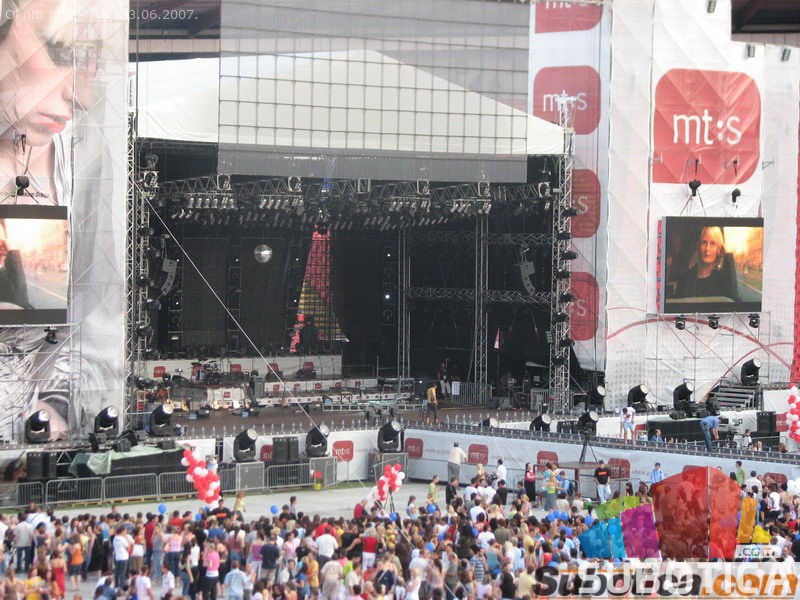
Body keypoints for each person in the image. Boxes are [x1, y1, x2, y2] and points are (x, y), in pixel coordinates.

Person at [675, 226, 739, 301]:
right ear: (699, 246)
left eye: (712, 243)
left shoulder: (723, 280)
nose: (707, 248)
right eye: (704, 243)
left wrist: (726, 254)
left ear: (719, 249)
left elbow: (734, 300)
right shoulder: (686, 278)